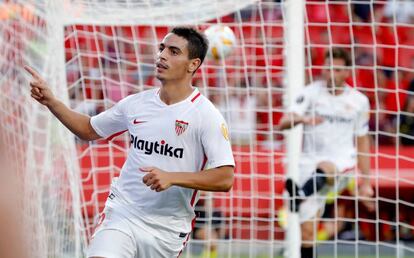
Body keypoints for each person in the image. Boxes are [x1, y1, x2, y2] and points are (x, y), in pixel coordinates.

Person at [25, 27, 235, 258]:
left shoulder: (206, 115)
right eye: (162, 48)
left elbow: (225, 177)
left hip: (167, 229)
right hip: (123, 212)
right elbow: (88, 128)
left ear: (193, 64)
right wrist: (51, 102)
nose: (162, 55)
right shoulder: (136, 104)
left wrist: (172, 177)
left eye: (174, 51)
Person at [279, 47, 374, 258]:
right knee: (307, 231)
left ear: (347, 72)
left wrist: (366, 181)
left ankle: (300, 194)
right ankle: (302, 194)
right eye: (328, 67)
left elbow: (362, 141)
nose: (332, 73)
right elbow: (283, 123)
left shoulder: (359, 101)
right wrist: (303, 119)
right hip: (309, 166)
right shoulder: (310, 92)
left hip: (342, 163)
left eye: (338, 69)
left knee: (328, 167)